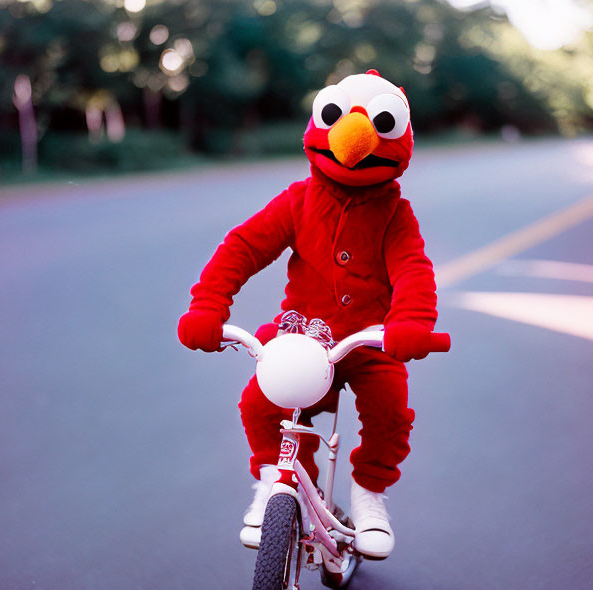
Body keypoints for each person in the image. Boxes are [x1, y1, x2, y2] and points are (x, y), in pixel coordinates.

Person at [177, 70, 440, 559]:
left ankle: (369, 492)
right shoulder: (298, 201)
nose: (353, 139)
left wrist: (412, 323)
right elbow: (243, 247)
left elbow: (412, 269)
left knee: (390, 408)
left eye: (379, 124)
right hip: (300, 336)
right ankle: (281, 481)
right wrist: (208, 304)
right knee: (260, 403)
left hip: (368, 341)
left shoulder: (394, 214)